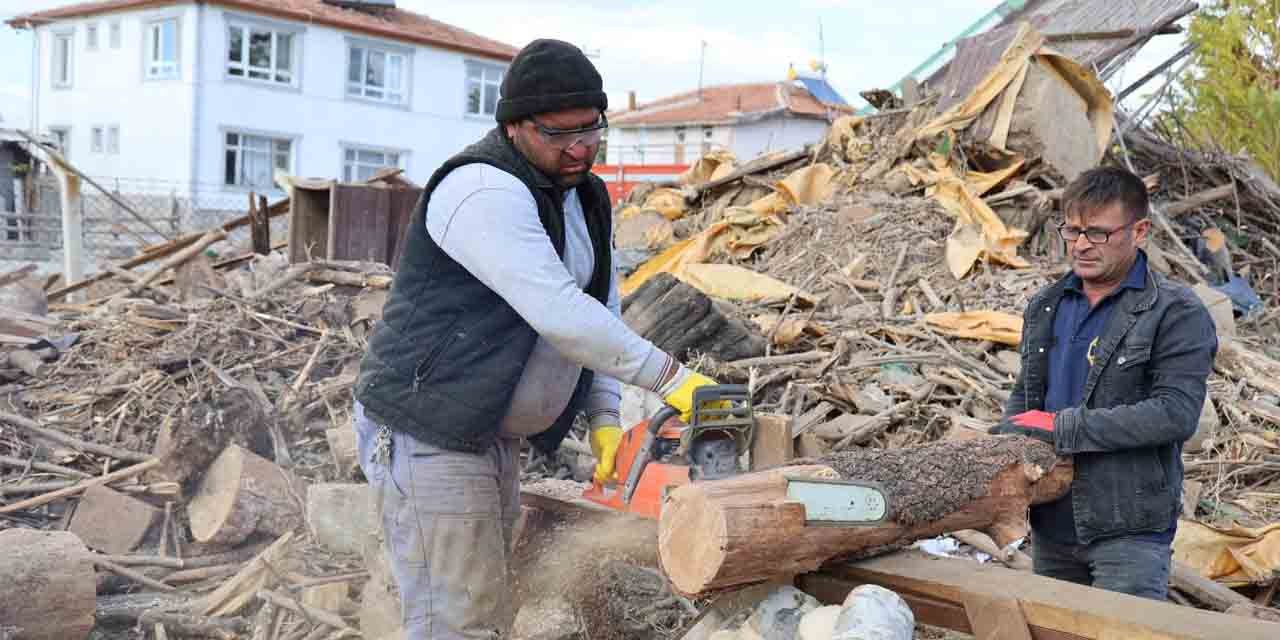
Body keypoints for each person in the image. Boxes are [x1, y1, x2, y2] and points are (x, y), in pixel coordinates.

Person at [349, 39, 720, 638]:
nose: (580, 147)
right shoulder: (482, 190)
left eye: (591, 128)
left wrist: (605, 414)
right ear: (515, 126)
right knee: (455, 622)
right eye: (559, 133)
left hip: (488, 434)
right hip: (431, 430)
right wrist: (673, 381)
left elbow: (599, 305)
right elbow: (559, 312)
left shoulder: (583, 195)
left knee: (485, 608)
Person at [990, 166, 1218, 600]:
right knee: (1056, 628)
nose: (1080, 245)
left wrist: (1063, 428)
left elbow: (1175, 414)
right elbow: (1027, 393)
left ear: (1140, 231)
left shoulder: (1174, 311)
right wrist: (1005, 444)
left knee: (1124, 629)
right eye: (1072, 230)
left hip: (1127, 530)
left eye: (1097, 233)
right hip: (1052, 520)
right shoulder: (1047, 305)